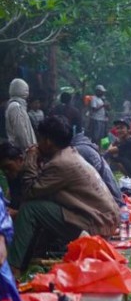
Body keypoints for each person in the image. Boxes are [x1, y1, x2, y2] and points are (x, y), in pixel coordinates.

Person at [4, 116, 119, 271]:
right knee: (41, 208)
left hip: (96, 227)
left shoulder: (60, 164)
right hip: (103, 221)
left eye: (39, 138)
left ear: (48, 142)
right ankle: (33, 257)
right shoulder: (69, 153)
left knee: (30, 209)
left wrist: (31, 159)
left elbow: (30, 191)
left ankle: (13, 268)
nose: (36, 143)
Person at [71, 132, 123, 207]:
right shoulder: (85, 147)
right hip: (113, 198)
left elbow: (109, 150)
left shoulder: (80, 150)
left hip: (111, 202)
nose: (119, 130)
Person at [5, 79, 36, 150]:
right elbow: (20, 131)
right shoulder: (15, 106)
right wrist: (28, 147)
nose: (27, 92)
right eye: (25, 89)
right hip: (22, 150)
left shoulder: (19, 105)